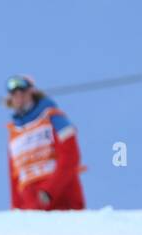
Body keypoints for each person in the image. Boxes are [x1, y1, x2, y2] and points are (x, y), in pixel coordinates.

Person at [5, 74, 85, 211]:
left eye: (22, 91)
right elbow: (15, 178)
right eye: (14, 93)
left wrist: (49, 191)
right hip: (32, 211)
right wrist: (16, 210)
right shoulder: (14, 133)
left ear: (32, 92)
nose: (19, 96)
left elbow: (71, 157)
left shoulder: (53, 118)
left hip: (63, 205)